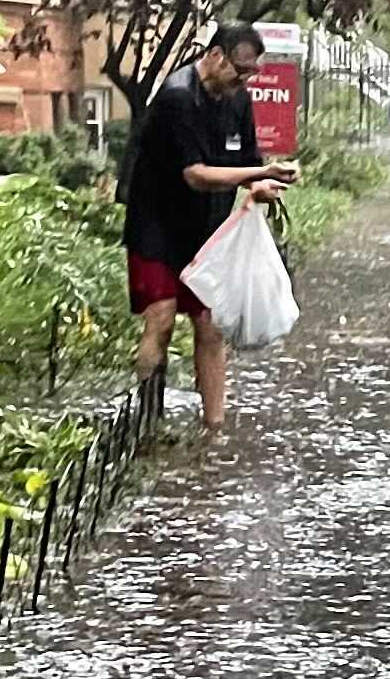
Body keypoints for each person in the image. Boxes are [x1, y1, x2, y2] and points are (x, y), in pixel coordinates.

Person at [123, 23, 295, 436]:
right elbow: (196, 175)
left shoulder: (238, 101)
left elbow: (248, 158)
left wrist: (263, 182)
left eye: (252, 72)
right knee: (161, 319)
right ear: (215, 56)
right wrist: (259, 171)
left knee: (210, 326)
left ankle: (214, 428)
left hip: (209, 229)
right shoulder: (178, 97)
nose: (245, 79)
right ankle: (147, 417)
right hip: (157, 225)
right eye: (240, 69)